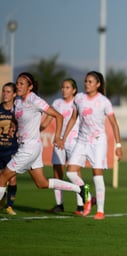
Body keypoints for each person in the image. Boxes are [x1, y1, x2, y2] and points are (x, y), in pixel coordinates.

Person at [0, 72, 90, 212]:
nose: (18, 86)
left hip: (29, 149)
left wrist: (58, 138)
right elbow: (15, 116)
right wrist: (12, 125)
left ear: (30, 87)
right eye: (17, 83)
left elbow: (58, 116)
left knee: (3, 177)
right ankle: (79, 189)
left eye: (22, 84)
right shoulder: (17, 102)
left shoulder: (34, 100)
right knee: (41, 183)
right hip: (28, 147)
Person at [62, 71, 122, 220]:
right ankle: (89, 196)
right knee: (70, 172)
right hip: (82, 141)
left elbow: (114, 124)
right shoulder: (79, 99)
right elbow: (73, 118)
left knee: (97, 174)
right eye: (86, 81)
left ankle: (100, 211)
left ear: (98, 84)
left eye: (90, 82)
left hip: (98, 141)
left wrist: (118, 145)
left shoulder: (104, 102)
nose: (87, 84)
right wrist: (63, 137)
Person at [40, 78, 84, 215]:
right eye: (63, 87)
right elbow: (46, 121)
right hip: (59, 142)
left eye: (67, 87)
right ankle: (59, 204)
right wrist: (34, 131)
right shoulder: (57, 103)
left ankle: (81, 205)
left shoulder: (78, 103)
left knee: (75, 173)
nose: (64, 90)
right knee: (57, 172)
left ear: (74, 90)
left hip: (74, 141)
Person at [0, 82, 19, 215]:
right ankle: (2, 197)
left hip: (12, 149)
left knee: (12, 178)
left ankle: (9, 205)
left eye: (8, 92)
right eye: (3, 91)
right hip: (0, 149)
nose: (5, 94)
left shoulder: (18, 110)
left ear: (14, 94)